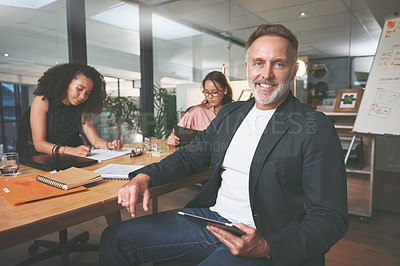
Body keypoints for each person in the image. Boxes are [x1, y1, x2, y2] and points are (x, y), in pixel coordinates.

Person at [100, 24, 348, 266]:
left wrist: (268, 245)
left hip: (265, 236)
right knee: (115, 238)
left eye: (279, 64)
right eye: (259, 63)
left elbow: (330, 217)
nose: (267, 74)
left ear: (293, 71)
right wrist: (144, 176)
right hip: (215, 221)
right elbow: (190, 156)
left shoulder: (315, 127)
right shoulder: (231, 114)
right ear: (247, 67)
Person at [26, 63, 122, 157]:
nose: (82, 97)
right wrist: (69, 150)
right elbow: (39, 145)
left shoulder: (82, 107)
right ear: (66, 83)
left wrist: (109, 145)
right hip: (42, 159)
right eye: (80, 89)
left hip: (69, 157)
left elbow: (95, 141)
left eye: (87, 93)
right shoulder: (42, 101)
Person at [166, 71, 233, 146]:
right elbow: (176, 134)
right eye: (207, 92)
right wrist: (172, 138)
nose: (210, 96)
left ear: (225, 90)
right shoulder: (195, 112)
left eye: (214, 92)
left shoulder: (235, 112)